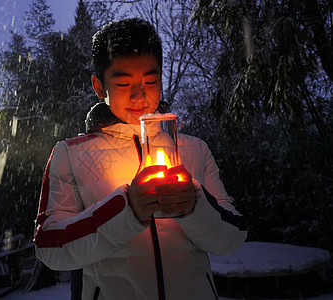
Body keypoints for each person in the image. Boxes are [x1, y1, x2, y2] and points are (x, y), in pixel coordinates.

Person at [34, 17, 247, 300]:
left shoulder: (194, 150)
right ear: (99, 86)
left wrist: (195, 205)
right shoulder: (71, 154)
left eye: (150, 80)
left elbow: (232, 237)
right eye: (123, 83)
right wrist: (126, 209)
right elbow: (51, 247)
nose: (139, 94)